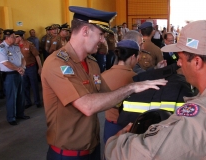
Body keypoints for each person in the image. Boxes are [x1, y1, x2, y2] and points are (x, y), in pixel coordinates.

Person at [41, 6, 167, 160]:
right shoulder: (56, 64)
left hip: (93, 149)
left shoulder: (92, 63)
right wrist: (131, 87)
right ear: (85, 31)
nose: (102, 40)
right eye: (100, 34)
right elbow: (87, 106)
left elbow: (110, 98)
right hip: (67, 155)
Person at [105, 20, 206, 159]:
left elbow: (145, 154)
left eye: (180, 58)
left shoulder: (204, 116)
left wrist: (114, 143)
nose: (178, 63)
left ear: (197, 62)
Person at [102, 40, 139, 143]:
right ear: (133, 57)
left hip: (109, 125)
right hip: (129, 126)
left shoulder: (104, 75)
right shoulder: (136, 78)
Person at [0, 29, 30, 126]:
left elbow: (22, 58)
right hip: (10, 75)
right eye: (13, 37)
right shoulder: (1, 48)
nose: (16, 38)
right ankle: (11, 117)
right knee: (12, 96)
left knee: (21, 95)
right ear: (7, 38)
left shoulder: (15, 47)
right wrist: (18, 69)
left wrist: (23, 67)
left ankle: (20, 114)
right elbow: (5, 63)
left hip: (19, 73)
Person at [15, 30, 42, 108]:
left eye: (16, 37)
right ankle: (28, 102)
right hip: (22, 69)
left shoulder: (29, 44)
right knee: (25, 86)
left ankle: (37, 101)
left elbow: (37, 56)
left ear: (20, 37)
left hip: (31, 67)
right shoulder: (15, 46)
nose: (14, 39)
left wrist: (40, 67)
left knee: (34, 85)